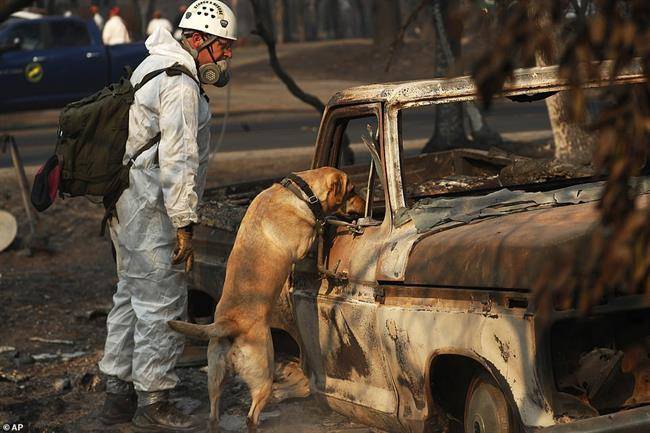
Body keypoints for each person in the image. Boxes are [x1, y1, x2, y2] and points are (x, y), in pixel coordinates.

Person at [97, 0, 236, 431]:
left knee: (130, 297)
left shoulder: (153, 64)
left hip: (128, 202)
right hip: (151, 208)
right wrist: (184, 223)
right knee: (162, 302)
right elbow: (178, 159)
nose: (226, 56)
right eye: (221, 47)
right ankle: (154, 401)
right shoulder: (178, 84)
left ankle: (117, 395)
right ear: (196, 40)